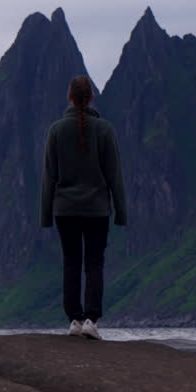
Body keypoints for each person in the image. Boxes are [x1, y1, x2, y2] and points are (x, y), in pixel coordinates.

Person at [40, 75, 127, 339]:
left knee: (70, 263)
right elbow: (115, 175)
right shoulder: (105, 130)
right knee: (94, 263)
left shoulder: (55, 130)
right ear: (91, 97)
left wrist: (45, 215)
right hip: (97, 210)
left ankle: (74, 321)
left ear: (69, 96)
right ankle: (91, 320)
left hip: (64, 210)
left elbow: (49, 177)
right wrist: (121, 212)